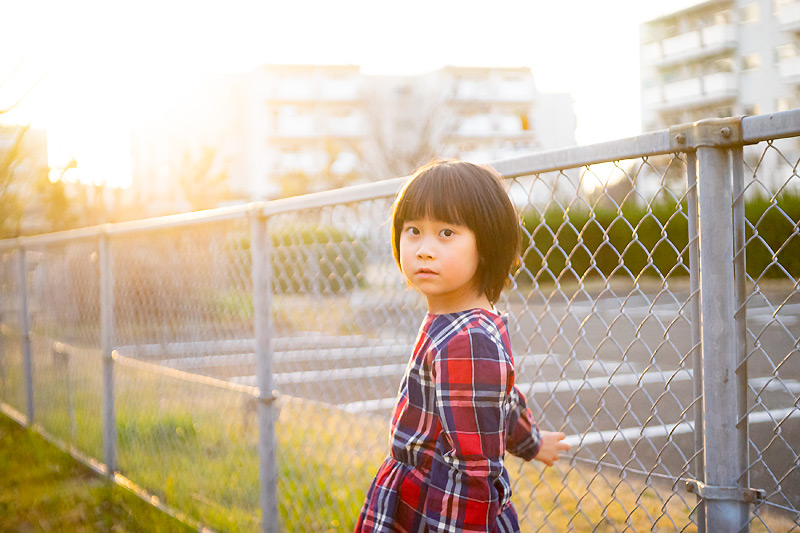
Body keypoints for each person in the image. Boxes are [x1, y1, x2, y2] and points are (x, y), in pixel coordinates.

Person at [356, 160, 571, 532]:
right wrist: (532, 442)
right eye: (413, 231)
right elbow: (500, 400)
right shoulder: (461, 320)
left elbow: (473, 472)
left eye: (446, 233)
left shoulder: (467, 340)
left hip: (443, 509)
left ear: (485, 245)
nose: (424, 249)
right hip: (420, 494)